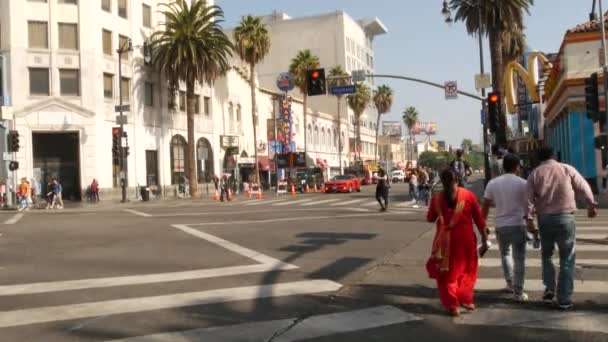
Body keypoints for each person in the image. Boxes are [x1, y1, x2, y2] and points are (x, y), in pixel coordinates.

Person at [526, 146, 597, 310]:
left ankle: (549, 290)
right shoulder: (566, 168)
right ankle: (564, 298)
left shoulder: (534, 174)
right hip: (566, 218)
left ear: (538, 157)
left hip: (544, 219)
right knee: (567, 258)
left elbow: (528, 200)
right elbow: (584, 186)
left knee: (547, 255)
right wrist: (591, 205)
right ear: (554, 155)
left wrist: (529, 220)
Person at [426, 168, 488, 317]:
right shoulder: (468, 196)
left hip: (444, 242)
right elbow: (480, 221)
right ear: (458, 180)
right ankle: (466, 299)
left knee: (446, 273)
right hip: (465, 241)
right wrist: (485, 240)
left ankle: (453, 305)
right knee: (467, 270)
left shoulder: (437, 198)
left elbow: (429, 218)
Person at [481, 153, 529, 302]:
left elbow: (485, 205)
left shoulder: (493, 183)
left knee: (505, 254)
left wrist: (483, 224)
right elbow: (529, 205)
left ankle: (509, 283)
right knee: (519, 259)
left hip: (501, 225)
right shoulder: (523, 183)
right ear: (517, 167)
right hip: (519, 224)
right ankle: (518, 291)